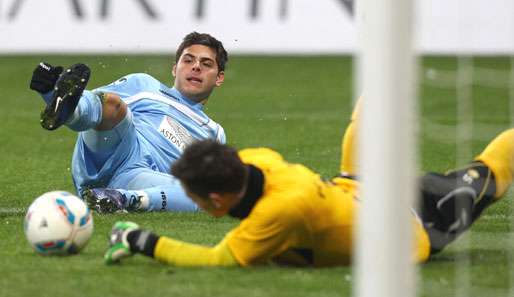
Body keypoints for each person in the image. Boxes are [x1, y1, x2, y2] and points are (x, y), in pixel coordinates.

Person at [102, 101, 514, 266]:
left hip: (411, 231)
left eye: (192, 195)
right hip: (358, 192)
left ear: (214, 200)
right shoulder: (255, 158)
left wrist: (142, 241)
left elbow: (218, 260)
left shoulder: (278, 214)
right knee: (359, 126)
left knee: (491, 174)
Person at [29, 32, 228, 212]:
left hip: (140, 178)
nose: (196, 67)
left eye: (206, 64)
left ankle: (120, 199)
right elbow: (95, 101)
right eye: (188, 60)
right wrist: (50, 94)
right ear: (175, 69)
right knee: (113, 104)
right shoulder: (145, 85)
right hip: (114, 151)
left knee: (206, 195)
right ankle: (68, 111)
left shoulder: (214, 134)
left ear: (219, 78)